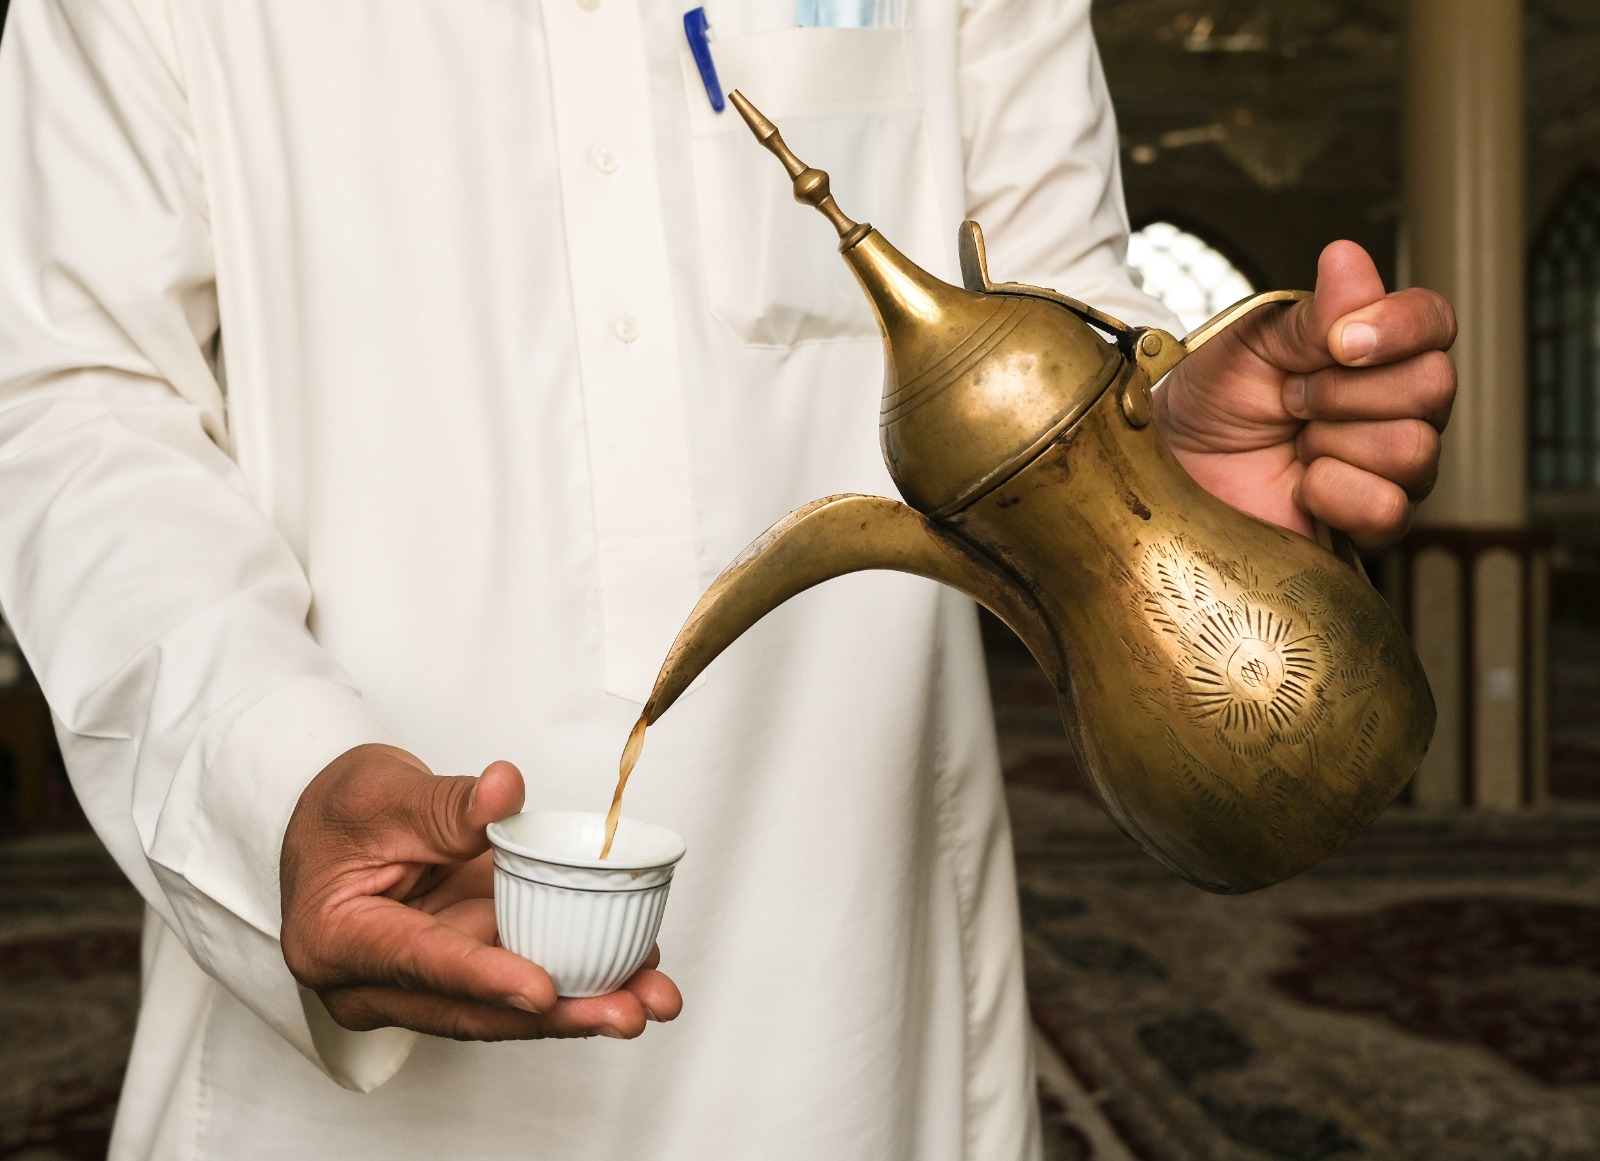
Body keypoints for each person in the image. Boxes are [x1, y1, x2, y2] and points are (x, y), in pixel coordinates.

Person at [0, 1, 1455, 1158]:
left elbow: (1052, 280)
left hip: (859, 1030)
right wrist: (274, 776)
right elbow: (70, 399)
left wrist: (1148, 452)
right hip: (315, 1110)